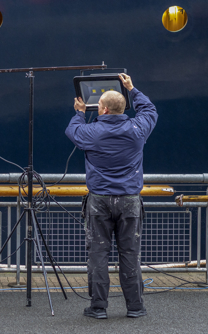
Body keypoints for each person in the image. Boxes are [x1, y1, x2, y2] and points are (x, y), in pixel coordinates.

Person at [65, 73, 158, 319]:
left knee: (98, 254)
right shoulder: (139, 129)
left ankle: (98, 308)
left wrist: (79, 112)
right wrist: (132, 88)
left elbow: (72, 131)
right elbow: (150, 110)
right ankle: (135, 307)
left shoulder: (91, 132)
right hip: (129, 200)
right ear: (123, 108)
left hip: (99, 201)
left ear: (102, 109)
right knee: (130, 254)